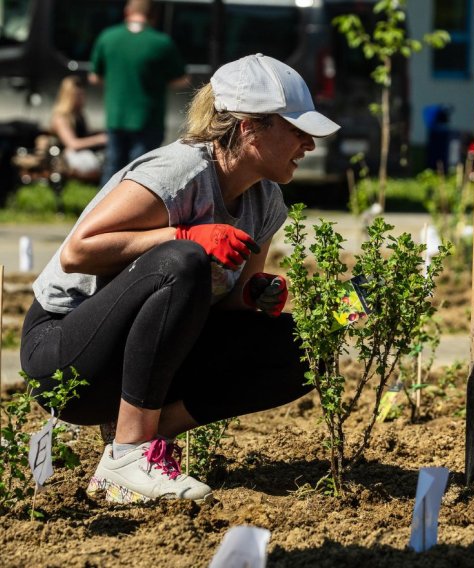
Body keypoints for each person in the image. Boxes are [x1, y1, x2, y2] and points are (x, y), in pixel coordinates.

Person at [20, 53, 340, 504]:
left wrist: (254, 295)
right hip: (65, 356)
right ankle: (130, 454)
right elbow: (77, 252)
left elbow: (228, 306)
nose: (308, 143)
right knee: (183, 259)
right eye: (296, 129)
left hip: (142, 362)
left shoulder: (266, 201)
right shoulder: (179, 172)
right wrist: (184, 235)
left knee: (305, 347)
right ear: (250, 127)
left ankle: (138, 439)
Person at [89, 0, 190, 187]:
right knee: (140, 172)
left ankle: (105, 204)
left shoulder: (108, 37)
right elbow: (181, 79)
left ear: (127, 11)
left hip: (116, 116)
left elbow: (94, 77)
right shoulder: (161, 43)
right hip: (148, 118)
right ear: (154, 15)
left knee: (112, 168)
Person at [50, 75, 108, 183]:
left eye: (83, 95)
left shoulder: (79, 115)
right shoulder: (61, 117)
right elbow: (73, 144)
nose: (82, 99)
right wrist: (99, 139)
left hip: (83, 153)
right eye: (78, 96)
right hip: (69, 158)